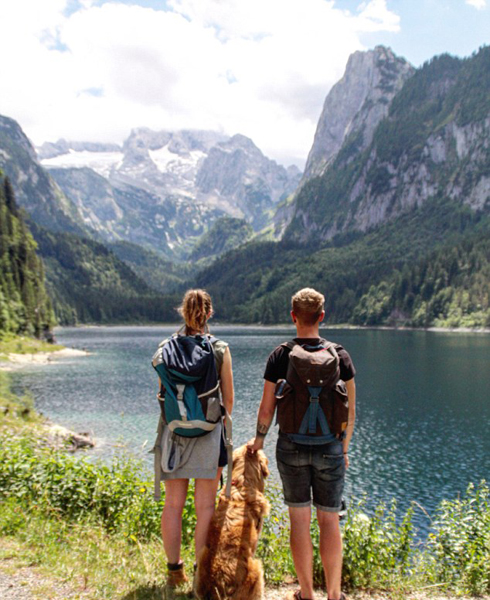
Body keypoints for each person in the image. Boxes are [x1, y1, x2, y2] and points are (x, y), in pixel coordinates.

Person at [247, 288, 356, 600]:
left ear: (293, 316)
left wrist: (258, 441)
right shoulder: (341, 355)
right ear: (322, 316)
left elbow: (266, 409)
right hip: (331, 447)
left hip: (291, 447)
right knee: (329, 519)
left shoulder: (280, 355)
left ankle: (306, 593)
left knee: (299, 520)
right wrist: (343, 448)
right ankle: (334, 594)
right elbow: (350, 409)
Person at [152, 289, 234, 587]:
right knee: (206, 507)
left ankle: (174, 572)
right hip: (210, 434)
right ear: (209, 314)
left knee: (173, 505)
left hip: (174, 434)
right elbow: (230, 401)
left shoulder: (165, 348)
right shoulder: (220, 349)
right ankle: (202, 573)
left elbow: (163, 395)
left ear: (183, 312)